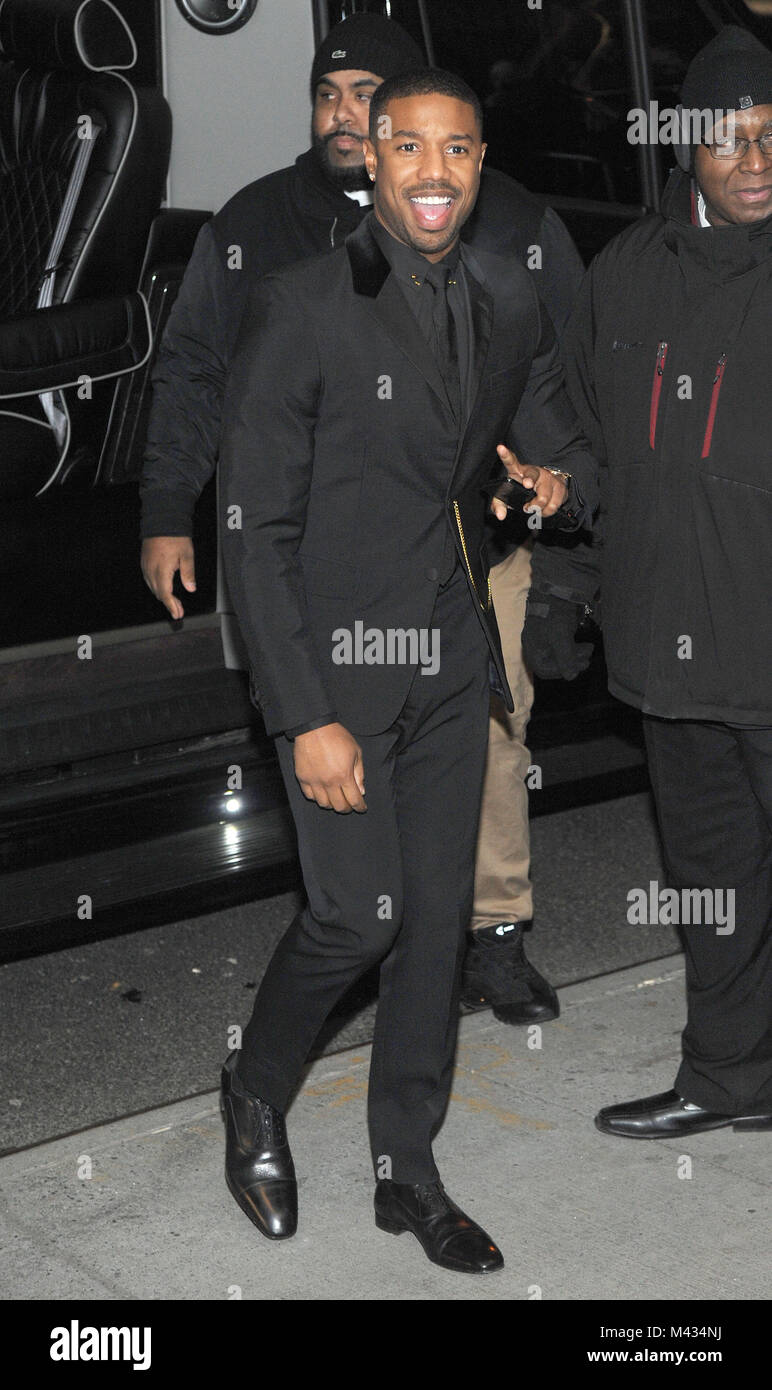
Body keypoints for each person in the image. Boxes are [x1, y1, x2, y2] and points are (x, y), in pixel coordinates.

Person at [217, 67, 599, 1272]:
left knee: (434, 925)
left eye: (461, 150)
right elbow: (253, 533)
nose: (436, 171)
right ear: (372, 157)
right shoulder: (301, 305)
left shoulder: (505, 297)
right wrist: (305, 712)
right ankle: (254, 1084)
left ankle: (407, 1166)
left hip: (448, 656)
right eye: (411, 147)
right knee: (356, 913)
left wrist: (551, 481)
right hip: (332, 671)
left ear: (481, 165)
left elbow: (556, 436)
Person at [139, 13, 587, 1028]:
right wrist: (169, 508)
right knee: (357, 875)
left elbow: (562, 382)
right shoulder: (257, 228)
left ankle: (495, 931)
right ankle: (333, 975)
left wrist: (560, 489)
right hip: (323, 573)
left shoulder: (508, 229)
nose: (346, 114)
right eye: (331, 94)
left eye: (367, 93)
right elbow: (197, 374)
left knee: (493, 741)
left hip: (469, 554)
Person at [523, 25, 772, 1140]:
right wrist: (560, 590)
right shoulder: (624, 276)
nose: (756, 159)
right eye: (730, 138)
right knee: (712, 890)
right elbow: (589, 453)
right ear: (688, 152)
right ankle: (730, 1080)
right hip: (673, 655)